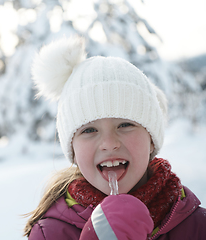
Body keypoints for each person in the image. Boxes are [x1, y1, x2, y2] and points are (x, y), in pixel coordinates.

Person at [24, 36, 206, 240]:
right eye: (89, 130)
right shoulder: (50, 234)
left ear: (152, 139)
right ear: (72, 149)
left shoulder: (197, 225)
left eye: (125, 125)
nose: (109, 144)